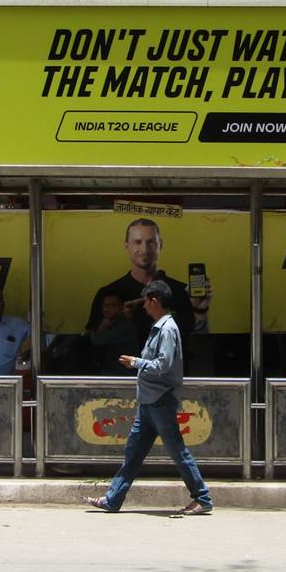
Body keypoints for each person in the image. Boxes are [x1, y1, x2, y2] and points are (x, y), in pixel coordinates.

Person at [82, 280, 215, 515]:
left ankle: (202, 498)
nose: (143, 306)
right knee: (133, 453)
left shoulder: (167, 329)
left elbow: (163, 364)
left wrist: (136, 362)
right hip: (149, 401)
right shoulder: (162, 327)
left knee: (178, 452)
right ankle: (113, 499)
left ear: (154, 302)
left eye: (146, 301)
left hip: (160, 400)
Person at [85, 217, 206, 346]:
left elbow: (195, 340)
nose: (145, 249)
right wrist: (116, 319)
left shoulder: (181, 291)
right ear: (127, 246)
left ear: (160, 245)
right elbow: (92, 340)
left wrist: (200, 309)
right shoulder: (108, 293)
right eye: (137, 242)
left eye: (151, 242)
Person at [88, 290, 140, 375]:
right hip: (113, 370)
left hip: (122, 374)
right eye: (105, 305)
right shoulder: (113, 322)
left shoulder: (124, 326)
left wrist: (102, 326)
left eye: (113, 305)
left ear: (121, 307)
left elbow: (96, 340)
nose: (107, 309)